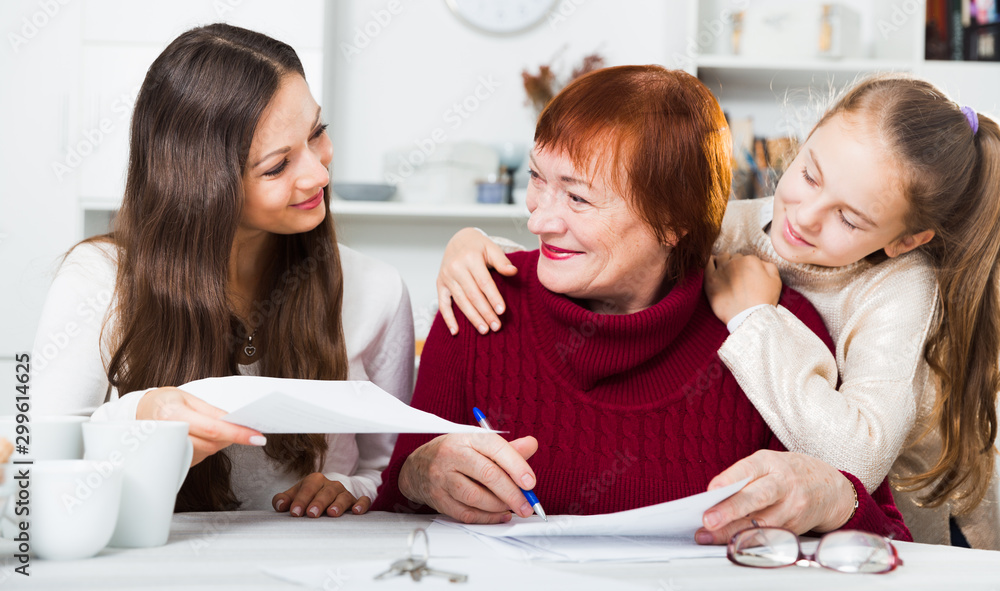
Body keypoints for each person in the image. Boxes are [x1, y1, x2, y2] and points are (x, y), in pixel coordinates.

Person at [435, 74, 1000, 548]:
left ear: (904, 240)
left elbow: (856, 462)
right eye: (807, 174)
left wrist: (753, 317)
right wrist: (477, 247)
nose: (803, 218)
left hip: (929, 524)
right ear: (804, 142)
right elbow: (620, 237)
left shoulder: (903, 289)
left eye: (849, 219)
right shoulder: (740, 226)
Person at [31, 24, 414, 518]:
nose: (320, 173)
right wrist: (138, 419)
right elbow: (34, 468)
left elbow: (398, 472)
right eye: (277, 166)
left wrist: (346, 485)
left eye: (317, 132)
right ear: (201, 186)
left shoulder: (377, 289)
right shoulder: (97, 280)